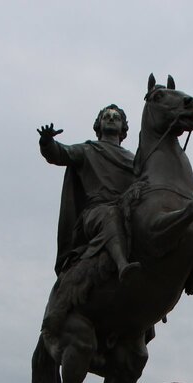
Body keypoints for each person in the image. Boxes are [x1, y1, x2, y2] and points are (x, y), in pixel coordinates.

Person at [38, 104, 140, 281]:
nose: (111, 119)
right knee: (110, 213)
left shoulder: (134, 159)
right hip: (95, 213)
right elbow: (60, 153)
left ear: (123, 127)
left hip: (125, 211)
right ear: (98, 125)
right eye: (106, 116)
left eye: (116, 117)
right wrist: (47, 143)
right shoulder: (88, 150)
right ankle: (122, 265)